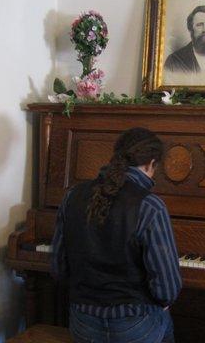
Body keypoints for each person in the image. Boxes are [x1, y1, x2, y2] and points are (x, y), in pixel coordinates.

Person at [52, 127, 182, 343]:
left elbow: (58, 268)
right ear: (151, 163)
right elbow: (167, 289)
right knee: (166, 322)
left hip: (83, 323)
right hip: (134, 326)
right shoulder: (150, 206)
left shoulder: (72, 195)